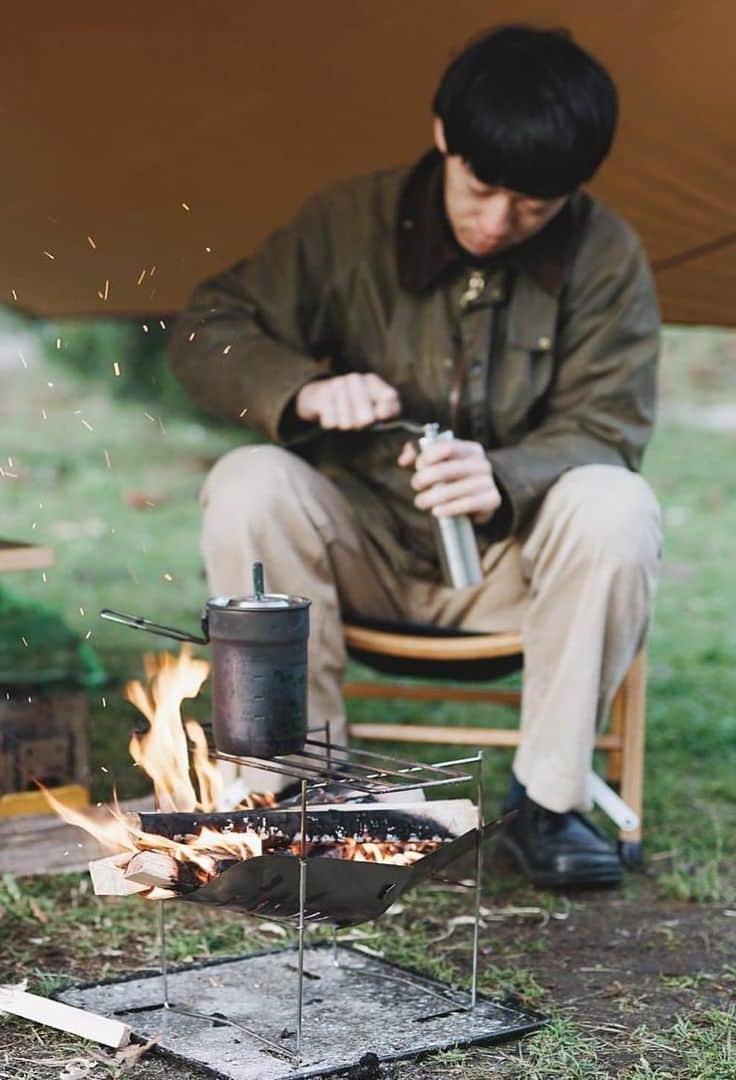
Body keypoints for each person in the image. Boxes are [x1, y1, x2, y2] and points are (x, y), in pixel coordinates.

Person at [168, 25, 662, 889]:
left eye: (535, 208)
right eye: (482, 188)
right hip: (359, 553)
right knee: (247, 481)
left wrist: (504, 477)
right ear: (443, 136)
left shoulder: (607, 254)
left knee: (617, 503)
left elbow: (610, 428)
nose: (499, 223)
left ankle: (548, 805)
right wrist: (304, 389)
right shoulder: (344, 223)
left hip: (517, 569)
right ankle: (292, 794)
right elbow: (207, 332)